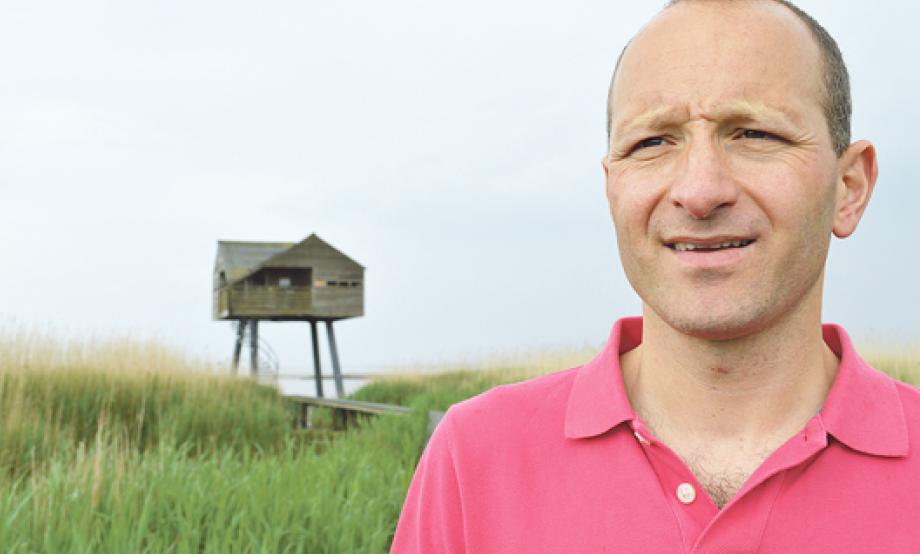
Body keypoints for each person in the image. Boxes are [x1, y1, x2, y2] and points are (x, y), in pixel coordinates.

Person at [391, 0, 920, 552]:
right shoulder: (475, 457)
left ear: (850, 188)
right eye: (651, 142)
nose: (699, 191)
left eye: (755, 134)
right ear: (612, 187)